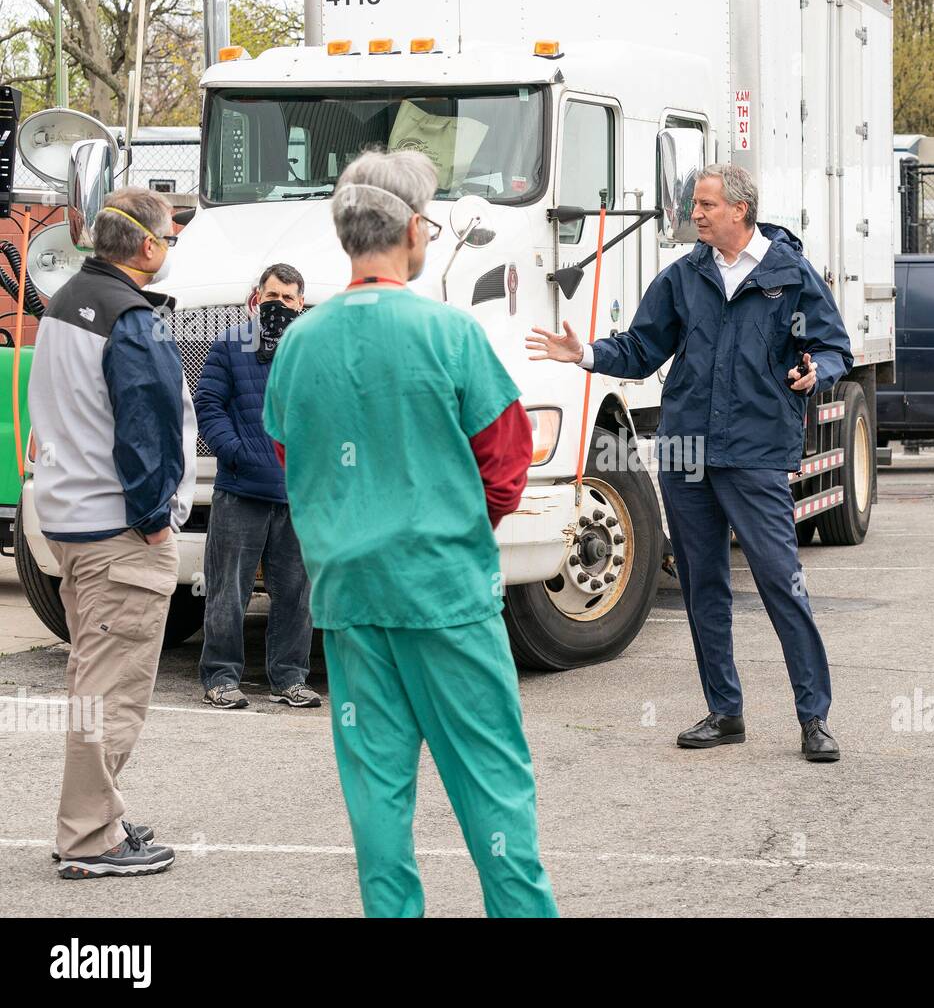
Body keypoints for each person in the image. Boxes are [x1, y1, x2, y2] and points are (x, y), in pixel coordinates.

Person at [262, 149, 557, 918]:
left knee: (377, 799)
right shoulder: (450, 334)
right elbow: (506, 463)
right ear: (414, 230)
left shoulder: (300, 341)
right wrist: (450, 525)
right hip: (444, 596)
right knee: (493, 789)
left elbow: (296, 458)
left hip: (350, 600)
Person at [528, 163, 854, 762]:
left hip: (755, 451)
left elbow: (833, 346)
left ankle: (814, 718)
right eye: (694, 205)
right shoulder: (683, 277)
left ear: (739, 210)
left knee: (781, 581)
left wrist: (817, 371)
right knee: (704, 584)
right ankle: (724, 711)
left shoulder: (790, 275)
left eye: (705, 205)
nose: (695, 214)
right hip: (688, 453)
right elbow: (643, 347)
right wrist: (587, 354)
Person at [27, 188, 197, 879]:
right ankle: (92, 835)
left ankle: (97, 816)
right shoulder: (131, 318)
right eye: (172, 239)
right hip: (118, 532)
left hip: (70, 520)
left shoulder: (68, 302)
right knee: (113, 691)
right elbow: (147, 427)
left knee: (91, 682)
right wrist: (156, 520)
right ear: (149, 247)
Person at [194, 262, 318, 708]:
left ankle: (289, 679)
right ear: (255, 298)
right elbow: (208, 404)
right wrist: (236, 453)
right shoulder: (230, 344)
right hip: (240, 491)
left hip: (297, 496)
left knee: (297, 597)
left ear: (302, 303)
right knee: (228, 592)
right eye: (272, 297)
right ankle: (221, 679)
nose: (280, 305)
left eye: (288, 298)